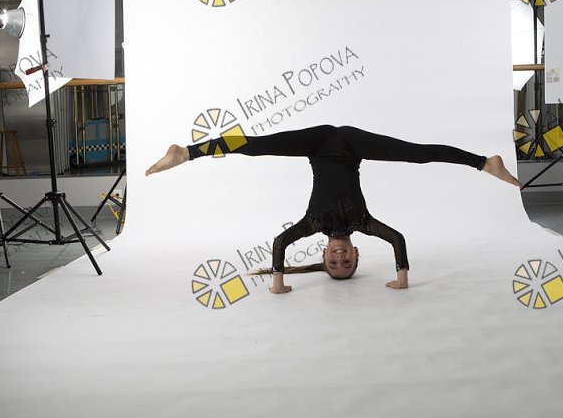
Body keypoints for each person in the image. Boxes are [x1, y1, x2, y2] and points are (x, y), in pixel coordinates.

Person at [145, 124, 521, 293]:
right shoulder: (364, 222)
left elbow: (280, 243)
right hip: (353, 144)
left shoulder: (312, 224)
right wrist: (402, 277)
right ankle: (485, 163)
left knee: (257, 146)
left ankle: (186, 153)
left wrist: (279, 281)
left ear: (324, 255)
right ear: (356, 253)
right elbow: (398, 239)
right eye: (347, 262)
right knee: (415, 154)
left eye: (333, 262)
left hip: (318, 142)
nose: (339, 258)